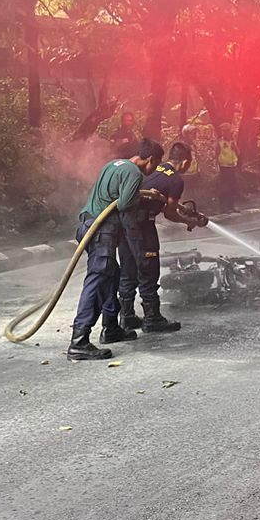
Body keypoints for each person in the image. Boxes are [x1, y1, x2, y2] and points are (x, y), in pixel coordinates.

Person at [68, 139, 161, 361]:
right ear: (150, 159)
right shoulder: (134, 173)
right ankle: (79, 342)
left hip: (88, 226)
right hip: (103, 231)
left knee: (112, 275)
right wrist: (140, 252)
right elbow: (125, 205)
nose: (153, 170)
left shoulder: (114, 164)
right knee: (99, 279)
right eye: (155, 165)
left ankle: (111, 329)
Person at [117, 140, 208, 334]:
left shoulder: (154, 169)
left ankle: (126, 317)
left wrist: (188, 214)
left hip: (125, 224)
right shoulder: (176, 180)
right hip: (142, 227)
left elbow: (167, 203)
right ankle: (152, 319)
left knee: (128, 269)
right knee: (148, 270)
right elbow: (170, 213)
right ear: (184, 162)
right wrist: (188, 222)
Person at [216, 124, 240, 214]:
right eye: (224, 131)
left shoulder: (232, 142)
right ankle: (223, 207)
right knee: (224, 188)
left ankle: (231, 206)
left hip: (232, 166)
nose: (225, 132)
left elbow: (238, 153)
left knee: (232, 187)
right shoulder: (220, 142)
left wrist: (235, 148)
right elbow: (216, 154)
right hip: (223, 167)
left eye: (227, 131)